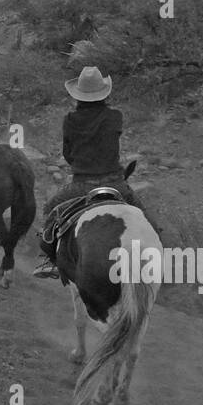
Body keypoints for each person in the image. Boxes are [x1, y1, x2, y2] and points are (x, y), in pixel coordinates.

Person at [32, 66, 140, 279]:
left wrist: (80, 165)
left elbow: (68, 154)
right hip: (115, 183)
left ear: (78, 95)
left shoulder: (70, 120)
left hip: (81, 186)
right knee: (146, 218)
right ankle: (159, 258)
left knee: (50, 210)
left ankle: (50, 260)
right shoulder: (115, 116)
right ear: (103, 93)